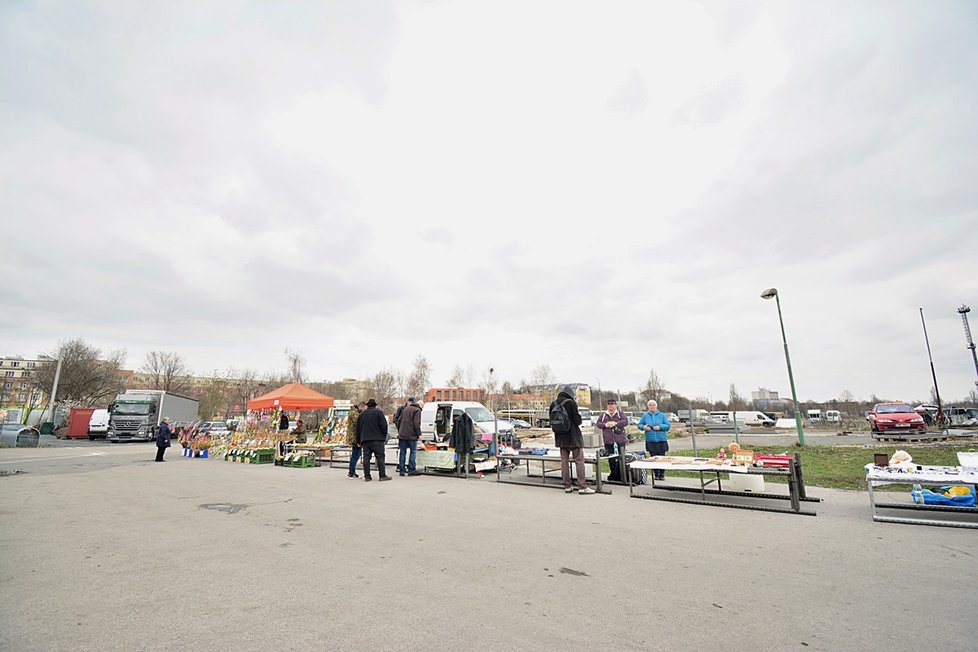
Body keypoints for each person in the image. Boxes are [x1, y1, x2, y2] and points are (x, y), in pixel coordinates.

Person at [551, 385, 595, 495]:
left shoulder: (553, 404)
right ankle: (582, 486)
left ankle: (567, 486)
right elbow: (578, 421)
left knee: (564, 462)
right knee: (579, 461)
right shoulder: (571, 403)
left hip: (560, 437)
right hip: (573, 436)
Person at [355, 399, 391, 482]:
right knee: (380, 457)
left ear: (367, 405)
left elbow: (358, 429)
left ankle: (367, 476)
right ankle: (382, 475)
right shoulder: (379, 413)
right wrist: (384, 435)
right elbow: (384, 425)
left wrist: (358, 440)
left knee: (366, 458)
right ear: (375, 405)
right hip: (378, 439)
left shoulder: (362, 415)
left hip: (365, 440)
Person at [595, 399, 628, 482]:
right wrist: (605, 425)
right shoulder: (603, 415)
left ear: (615, 405)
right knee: (611, 458)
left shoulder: (620, 414)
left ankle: (621, 474)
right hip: (608, 440)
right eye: (609, 405)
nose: (611, 407)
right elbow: (598, 424)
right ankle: (613, 474)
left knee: (621, 457)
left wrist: (615, 423)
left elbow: (625, 421)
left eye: (612, 405)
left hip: (620, 440)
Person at [637, 400, 671, 480]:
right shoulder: (645, 416)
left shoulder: (662, 415)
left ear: (656, 406)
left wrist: (660, 427)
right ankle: (656, 474)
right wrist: (644, 427)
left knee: (662, 458)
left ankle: (662, 474)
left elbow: (668, 426)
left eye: (653, 405)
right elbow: (639, 425)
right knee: (653, 458)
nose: (652, 406)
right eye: (650, 405)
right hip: (650, 440)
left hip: (661, 440)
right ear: (648, 406)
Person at [396, 397, 423, 476]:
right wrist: (419, 434)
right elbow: (416, 424)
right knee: (413, 451)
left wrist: (400, 430)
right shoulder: (417, 410)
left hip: (402, 435)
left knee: (402, 452)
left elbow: (398, 421)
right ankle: (411, 470)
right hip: (412, 436)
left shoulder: (404, 410)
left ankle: (402, 470)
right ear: (420, 405)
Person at [345, 402, 366, 478]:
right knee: (355, 455)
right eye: (363, 408)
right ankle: (351, 472)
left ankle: (352, 471)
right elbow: (358, 424)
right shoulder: (355, 414)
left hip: (353, 436)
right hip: (354, 437)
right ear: (360, 406)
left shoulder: (353, 412)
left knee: (356, 454)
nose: (363, 410)